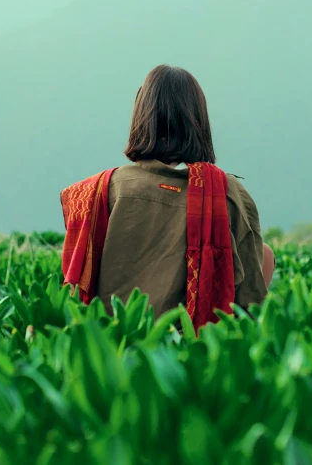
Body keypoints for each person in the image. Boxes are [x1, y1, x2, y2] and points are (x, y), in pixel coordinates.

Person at [60, 65, 274, 331]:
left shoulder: (100, 191)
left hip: (110, 346)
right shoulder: (226, 192)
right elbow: (250, 299)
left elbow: (74, 283)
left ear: (141, 117)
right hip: (190, 349)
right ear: (199, 121)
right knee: (264, 253)